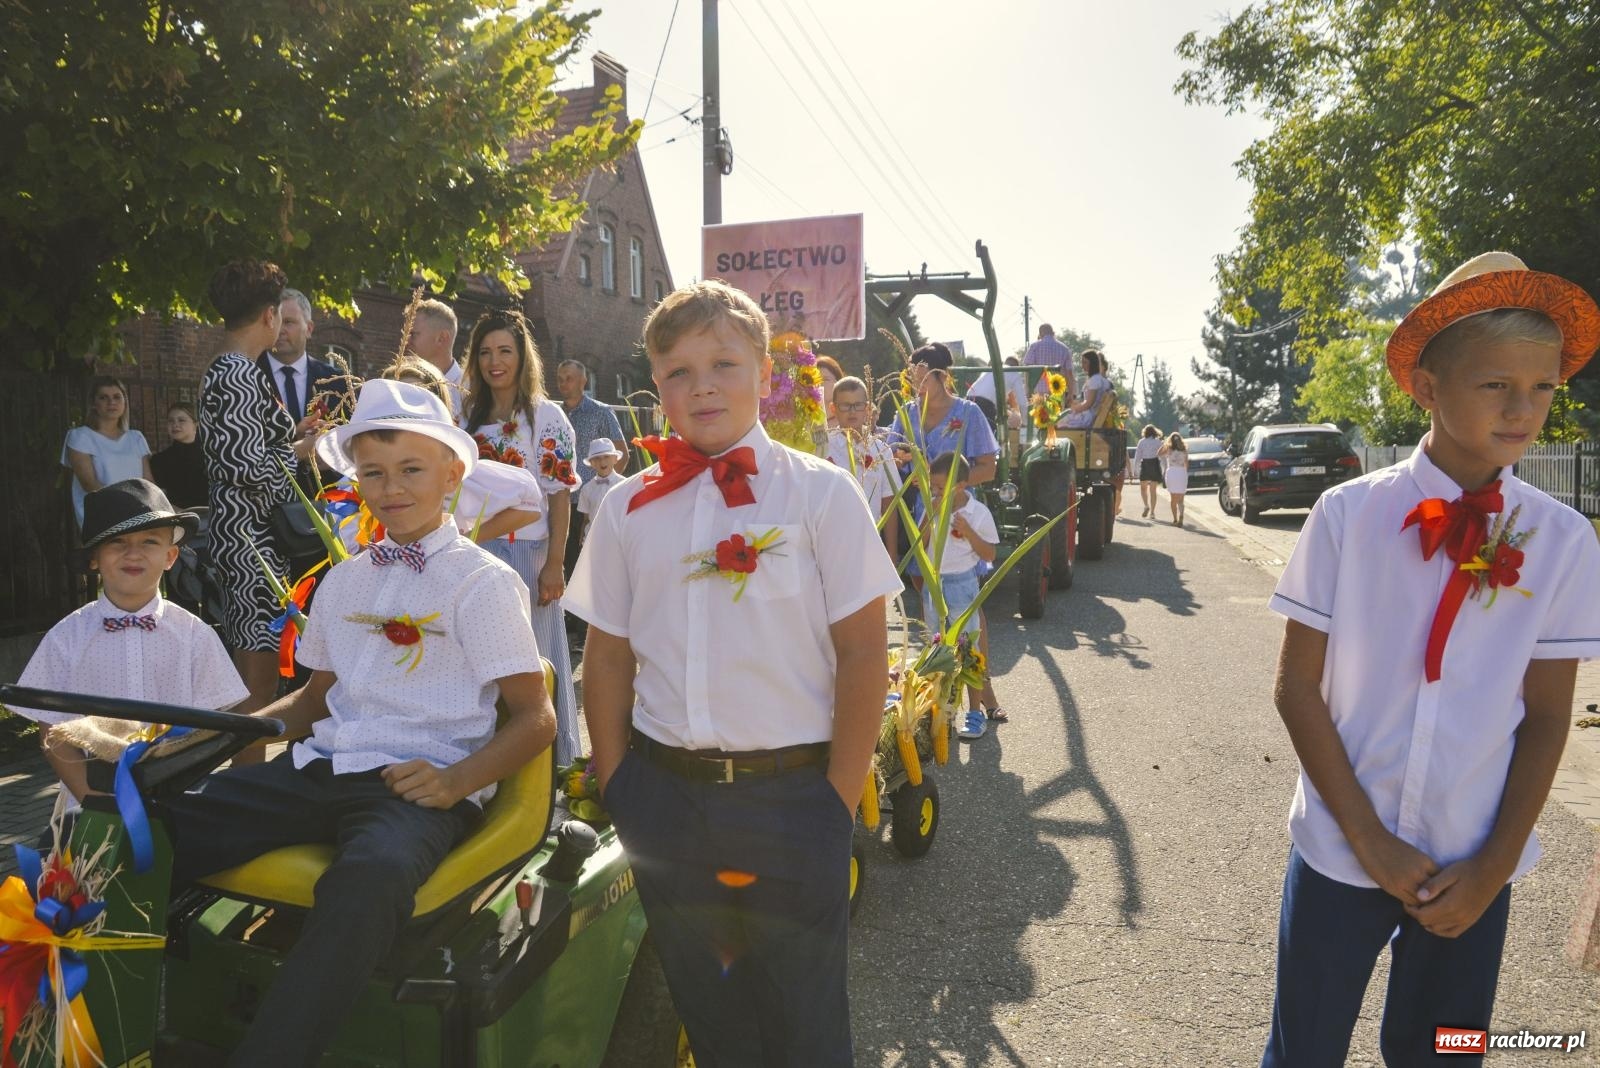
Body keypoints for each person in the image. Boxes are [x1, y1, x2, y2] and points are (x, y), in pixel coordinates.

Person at [1260, 252, 1600, 1068]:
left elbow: (1550, 717)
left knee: (1445, 1053)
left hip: (1470, 865)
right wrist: (1370, 841)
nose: (1524, 409)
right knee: (1302, 1050)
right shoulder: (1347, 517)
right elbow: (1296, 689)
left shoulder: (1561, 542)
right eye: (1495, 385)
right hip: (1343, 852)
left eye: (1544, 388)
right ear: (1427, 387)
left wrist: (1491, 870)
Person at [162, 378, 554, 1067]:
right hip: (324, 767)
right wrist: (228, 733)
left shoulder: (483, 582)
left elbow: (536, 719)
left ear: (452, 474)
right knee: (157, 829)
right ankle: (113, 1007)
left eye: (410, 470)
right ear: (356, 480)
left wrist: (457, 780)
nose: (391, 488)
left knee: (369, 876)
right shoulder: (344, 581)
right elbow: (314, 702)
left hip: (416, 786)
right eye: (373, 473)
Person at [567, 280, 900, 1065]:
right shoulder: (625, 508)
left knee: (804, 1023)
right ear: (656, 391)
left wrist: (834, 801)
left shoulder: (821, 494)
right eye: (677, 372)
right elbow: (607, 653)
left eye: (721, 362)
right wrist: (620, 782)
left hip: (793, 800)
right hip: (666, 800)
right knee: (712, 1017)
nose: (701, 385)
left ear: (762, 369)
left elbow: (863, 654)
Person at [10, 479, 245, 810]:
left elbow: (213, 729)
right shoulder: (66, 637)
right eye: (117, 542)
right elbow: (52, 729)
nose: (133, 553)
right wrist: (91, 799)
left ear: (170, 556)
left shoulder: (195, 634)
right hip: (88, 800)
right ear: (94, 558)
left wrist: (183, 791)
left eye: (149, 541)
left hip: (179, 799)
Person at [200, 259, 317, 754]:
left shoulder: (229, 369)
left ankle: (239, 778)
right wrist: (300, 451)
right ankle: (240, 783)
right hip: (251, 540)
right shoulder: (237, 373)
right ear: (269, 316)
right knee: (259, 684)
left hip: (243, 535)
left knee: (258, 680)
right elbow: (250, 468)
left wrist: (289, 439)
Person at [461, 310, 582, 766]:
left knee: (537, 659)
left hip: (530, 554)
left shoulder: (546, 417)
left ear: (521, 357)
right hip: (474, 555)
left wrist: (556, 563)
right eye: (486, 352)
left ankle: (552, 766)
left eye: (505, 351)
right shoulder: (465, 418)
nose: (495, 361)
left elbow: (558, 496)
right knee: (486, 664)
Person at [921, 452, 1003, 739]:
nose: (937, 492)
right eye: (934, 487)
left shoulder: (977, 513)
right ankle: (943, 710)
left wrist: (967, 531)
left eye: (942, 488)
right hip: (934, 584)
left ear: (962, 485)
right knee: (937, 646)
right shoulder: (933, 507)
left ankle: (975, 711)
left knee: (970, 650)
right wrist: (930, 515)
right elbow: (921, 544)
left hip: (962, 584)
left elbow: (990, 554)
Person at [886, 342, 1000, 486]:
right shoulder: (907, 413)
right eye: (913, 380)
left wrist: (942, 482)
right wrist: (900, 458)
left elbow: (988, 470)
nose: (917, 386)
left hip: (956, 505)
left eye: (924, 380)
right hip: (913, 506)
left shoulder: (968, 412)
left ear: (942, 377)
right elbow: (888, 462)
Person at [553, 358, 626, 577]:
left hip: (591, 502)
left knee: (590, 561)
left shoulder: (601, 412)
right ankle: (565, 609)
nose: (564, 384)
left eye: (570, 379)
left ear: (583, 381)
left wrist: (604, 489)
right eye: (560, 379)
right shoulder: (554, 414)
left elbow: (621, 453)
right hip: (559, 500)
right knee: (563, 559)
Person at [61, 375, 152, 529]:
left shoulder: (136, 438)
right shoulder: (80, 436)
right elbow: (90, 485)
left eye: (117, 397)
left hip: (139, 515)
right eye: (104, 397)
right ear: (94, 404)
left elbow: (148, 482)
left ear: (125, 402)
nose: (112, 402)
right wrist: (126, 507)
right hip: (101, 517)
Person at [827, 375, 901, 557]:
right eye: (845, 405)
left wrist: (891, 556)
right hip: (831, 541)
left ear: (867, 409)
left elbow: (889, 506)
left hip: (871, 541)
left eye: (858, 405)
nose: (852, 412)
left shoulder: (881, 450)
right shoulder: (823, 448)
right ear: (833, 408)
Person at [260, 287, 343, 436]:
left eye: (288, 322)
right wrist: (294, 439)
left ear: (309, 329)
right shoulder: (251, 376)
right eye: (274, 321)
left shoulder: (336, 381)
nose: (280, 329)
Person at [406, 298, 464, 416]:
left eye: (413, 334)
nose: (406, 342)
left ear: (441, 338)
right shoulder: (401, 385)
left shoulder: (471, 393)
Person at [149, 401, 209, 509]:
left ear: (196, 425)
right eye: (171, 421)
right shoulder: (159, 460)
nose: (175, 424)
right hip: (177, 518)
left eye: (181, 420)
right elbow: (158, 498)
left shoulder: (210, 456)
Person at [575, 438, 624, 542]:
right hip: (594, 539)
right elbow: (586, 519)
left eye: (606, 456)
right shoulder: (586, 489)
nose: (602, 461)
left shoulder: (624, 484)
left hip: (617, 538)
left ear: (615, 459)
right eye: (597, 458)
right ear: (591, 463)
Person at [966, 355, 1029, 426]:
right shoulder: (1015, 373)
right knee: (989, 433)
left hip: (969, 398)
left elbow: (994, 400)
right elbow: (1022, 403)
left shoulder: (992, 369)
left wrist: (1009, 413)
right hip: (985, 404)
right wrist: (1025, 422)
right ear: (1017, 367)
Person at [1060, 348, 1114, 429]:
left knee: (1058, 420)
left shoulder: (1095, 380)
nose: (1082, 366)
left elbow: (1088, 404)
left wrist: (1074, 409)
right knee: (1062, 417)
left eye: (1085, 362)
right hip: (1091, 416)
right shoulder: (1102, 380)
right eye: (1082, 362)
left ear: (1092, 363)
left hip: (1087, 418)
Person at [1023, 323, 1074, 399]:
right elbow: (1069, 373)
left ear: (1040, 333)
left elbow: (1028, 369)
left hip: (1038, 392)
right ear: (1053, 333)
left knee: (1039, 411)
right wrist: (1071, 393)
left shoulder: (1034, 346)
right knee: (1057, 410)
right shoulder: (1064, 348)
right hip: (1057, 390)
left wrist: (1027, 390)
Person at [1132, 424, 1163, 519]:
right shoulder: (1158, 442)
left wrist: (1135, 470)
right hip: (1154, 464)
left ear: (1144, 432)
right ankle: (1152, 513)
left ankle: (1146, 505)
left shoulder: (1141, 442)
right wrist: (1165, 469)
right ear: (1155, 432)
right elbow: (1162, 457)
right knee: (1153, 490)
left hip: (1145, 464)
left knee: (1143, 488)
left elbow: (1137, 457)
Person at [1158, 432, 1187, 526]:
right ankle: (1181, 516)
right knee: (1181, 499)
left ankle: (1175, 519)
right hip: (1181, 472)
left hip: (1172, 473)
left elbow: (1158, 453)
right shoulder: (1184, 450)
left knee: (1173, 499)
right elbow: (1187, 464)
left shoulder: (1168, 449)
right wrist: (1184, 473)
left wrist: (1165, 443)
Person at [816, 353, 845, 426]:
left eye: (825, 379)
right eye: (815, 380)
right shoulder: (805, 423)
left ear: (838, 383)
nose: (818, 384)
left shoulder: (848, 421)